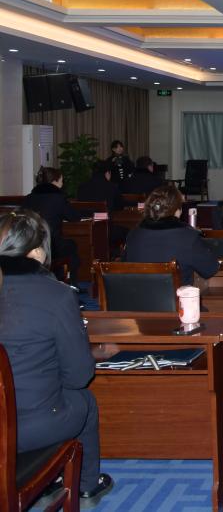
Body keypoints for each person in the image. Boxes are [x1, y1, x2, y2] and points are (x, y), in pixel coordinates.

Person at [0, 210, 115, 506]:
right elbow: (79, 376)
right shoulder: (56, 295)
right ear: (38, 252)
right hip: (29, 428)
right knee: (83, 400)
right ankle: (85, 488)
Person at [124, 185, 219, 286]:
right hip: (174, 296)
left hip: (137, 294)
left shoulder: (133, 235)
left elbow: (124, 268)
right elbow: (210, 269)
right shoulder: (187, 237)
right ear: (177, 211)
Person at [20, 167, 82, 281]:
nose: (62, 184)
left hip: (29, 244)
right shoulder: (57, 198)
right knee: (71, 245)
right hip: (50, 245)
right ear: (54, 181)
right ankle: (71, 283)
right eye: (61, 181)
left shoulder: (28, 198)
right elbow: (74, 217)